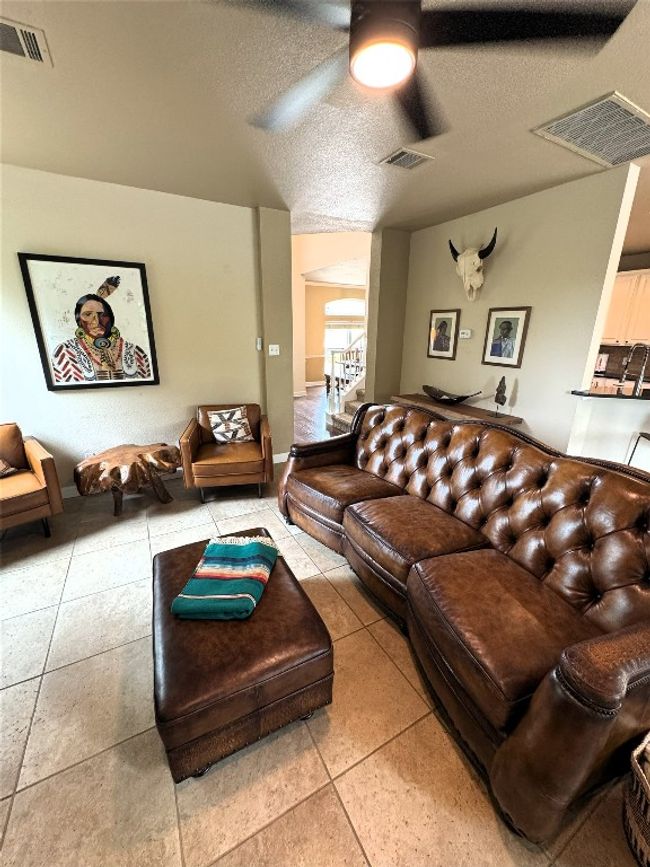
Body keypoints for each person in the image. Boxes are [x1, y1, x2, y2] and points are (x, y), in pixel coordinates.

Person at [51, 277, 151, 383]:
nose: (96, 321)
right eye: (88, 314)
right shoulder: (64, 352)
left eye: (102, 315)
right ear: (79, 320)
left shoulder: (136, 352)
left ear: (111, 318)